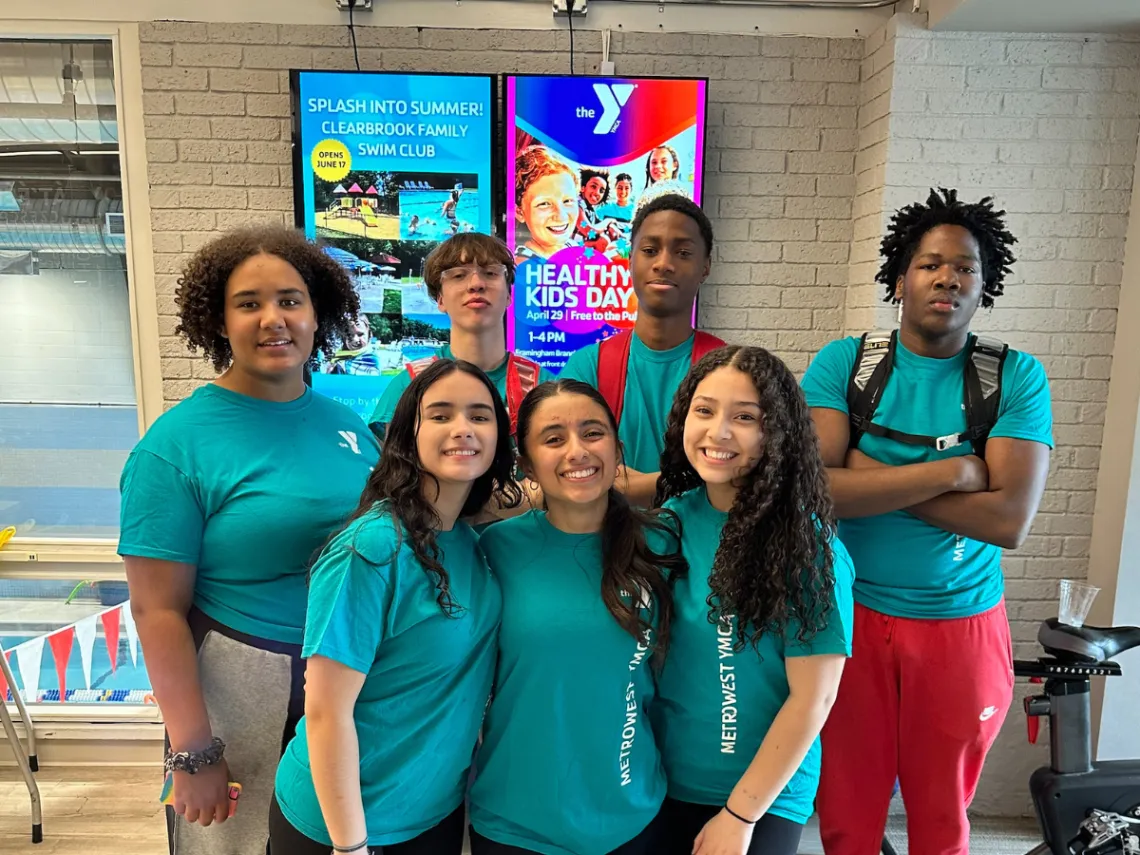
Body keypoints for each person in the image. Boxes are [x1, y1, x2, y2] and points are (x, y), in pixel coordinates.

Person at [801, 188, 1053, 855]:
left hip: (961, 627)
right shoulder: (844, 364)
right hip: (849, 619)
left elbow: (1007, 519)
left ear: (985, 282)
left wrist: (869, 473)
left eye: (966, 267)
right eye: (930, 263)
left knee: (942, 823)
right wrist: (949, 471)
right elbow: (815, 491)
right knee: (847, 820)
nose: (948, 277)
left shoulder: (1014, 377)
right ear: (899, 277)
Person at [118, 226, 380, 855]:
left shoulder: (349, 427)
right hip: (243, 689)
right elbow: (157, 611)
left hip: (350, 681)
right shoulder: (176, 446)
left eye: (291, 300)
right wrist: (194, 749)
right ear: (219, 320)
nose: (273, 319)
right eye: (249, 303)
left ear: (320, 314)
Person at [270, 358, 521, 855]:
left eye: (480, 415)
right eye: (442, 415)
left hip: (432, 814)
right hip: (343, 826)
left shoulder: (469, 542)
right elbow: (325, 713)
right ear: (409, 434)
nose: (463, 429)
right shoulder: (372, 548)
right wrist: (350, 846)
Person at [467, 378, 687, 855]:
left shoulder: (663, 543)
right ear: (526, 463)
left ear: (617, 446)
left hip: (632, 814)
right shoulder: (495, 550)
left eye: (592, 433)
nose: (577, 451)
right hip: (515, 821)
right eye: (553, 438)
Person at [651, 345, 853, 855]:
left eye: (745, 417)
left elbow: (815, 698)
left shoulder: (809, 546)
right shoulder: (670, 522)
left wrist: (741, 815)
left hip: (762, 796)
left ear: (776, 434)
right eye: (705, 410)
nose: (718, 432)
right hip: (664, 782)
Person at [559, 193, 724, 506]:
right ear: (631, 259)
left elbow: (744, 475)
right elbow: (565, 470)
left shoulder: (729, 371)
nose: (664, 264)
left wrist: (630, 485)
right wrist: (686, 479)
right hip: (607, 547)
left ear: (705, 267)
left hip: (701, 549)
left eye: (683, 253)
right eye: (650, 250)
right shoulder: (588, 367)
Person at [368, 233, 554, 444]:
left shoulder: (542, 386)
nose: (476, 284)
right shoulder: (408, 387)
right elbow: (388, 472)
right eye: (458, 275)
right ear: (440, 299)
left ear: (510, 295)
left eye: (491, 273)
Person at [514, 144, 579, 262]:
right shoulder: (525, 267)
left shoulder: (572, 247)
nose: (561, 216)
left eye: (567, 201)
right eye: (544, 204)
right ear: (519, 212)